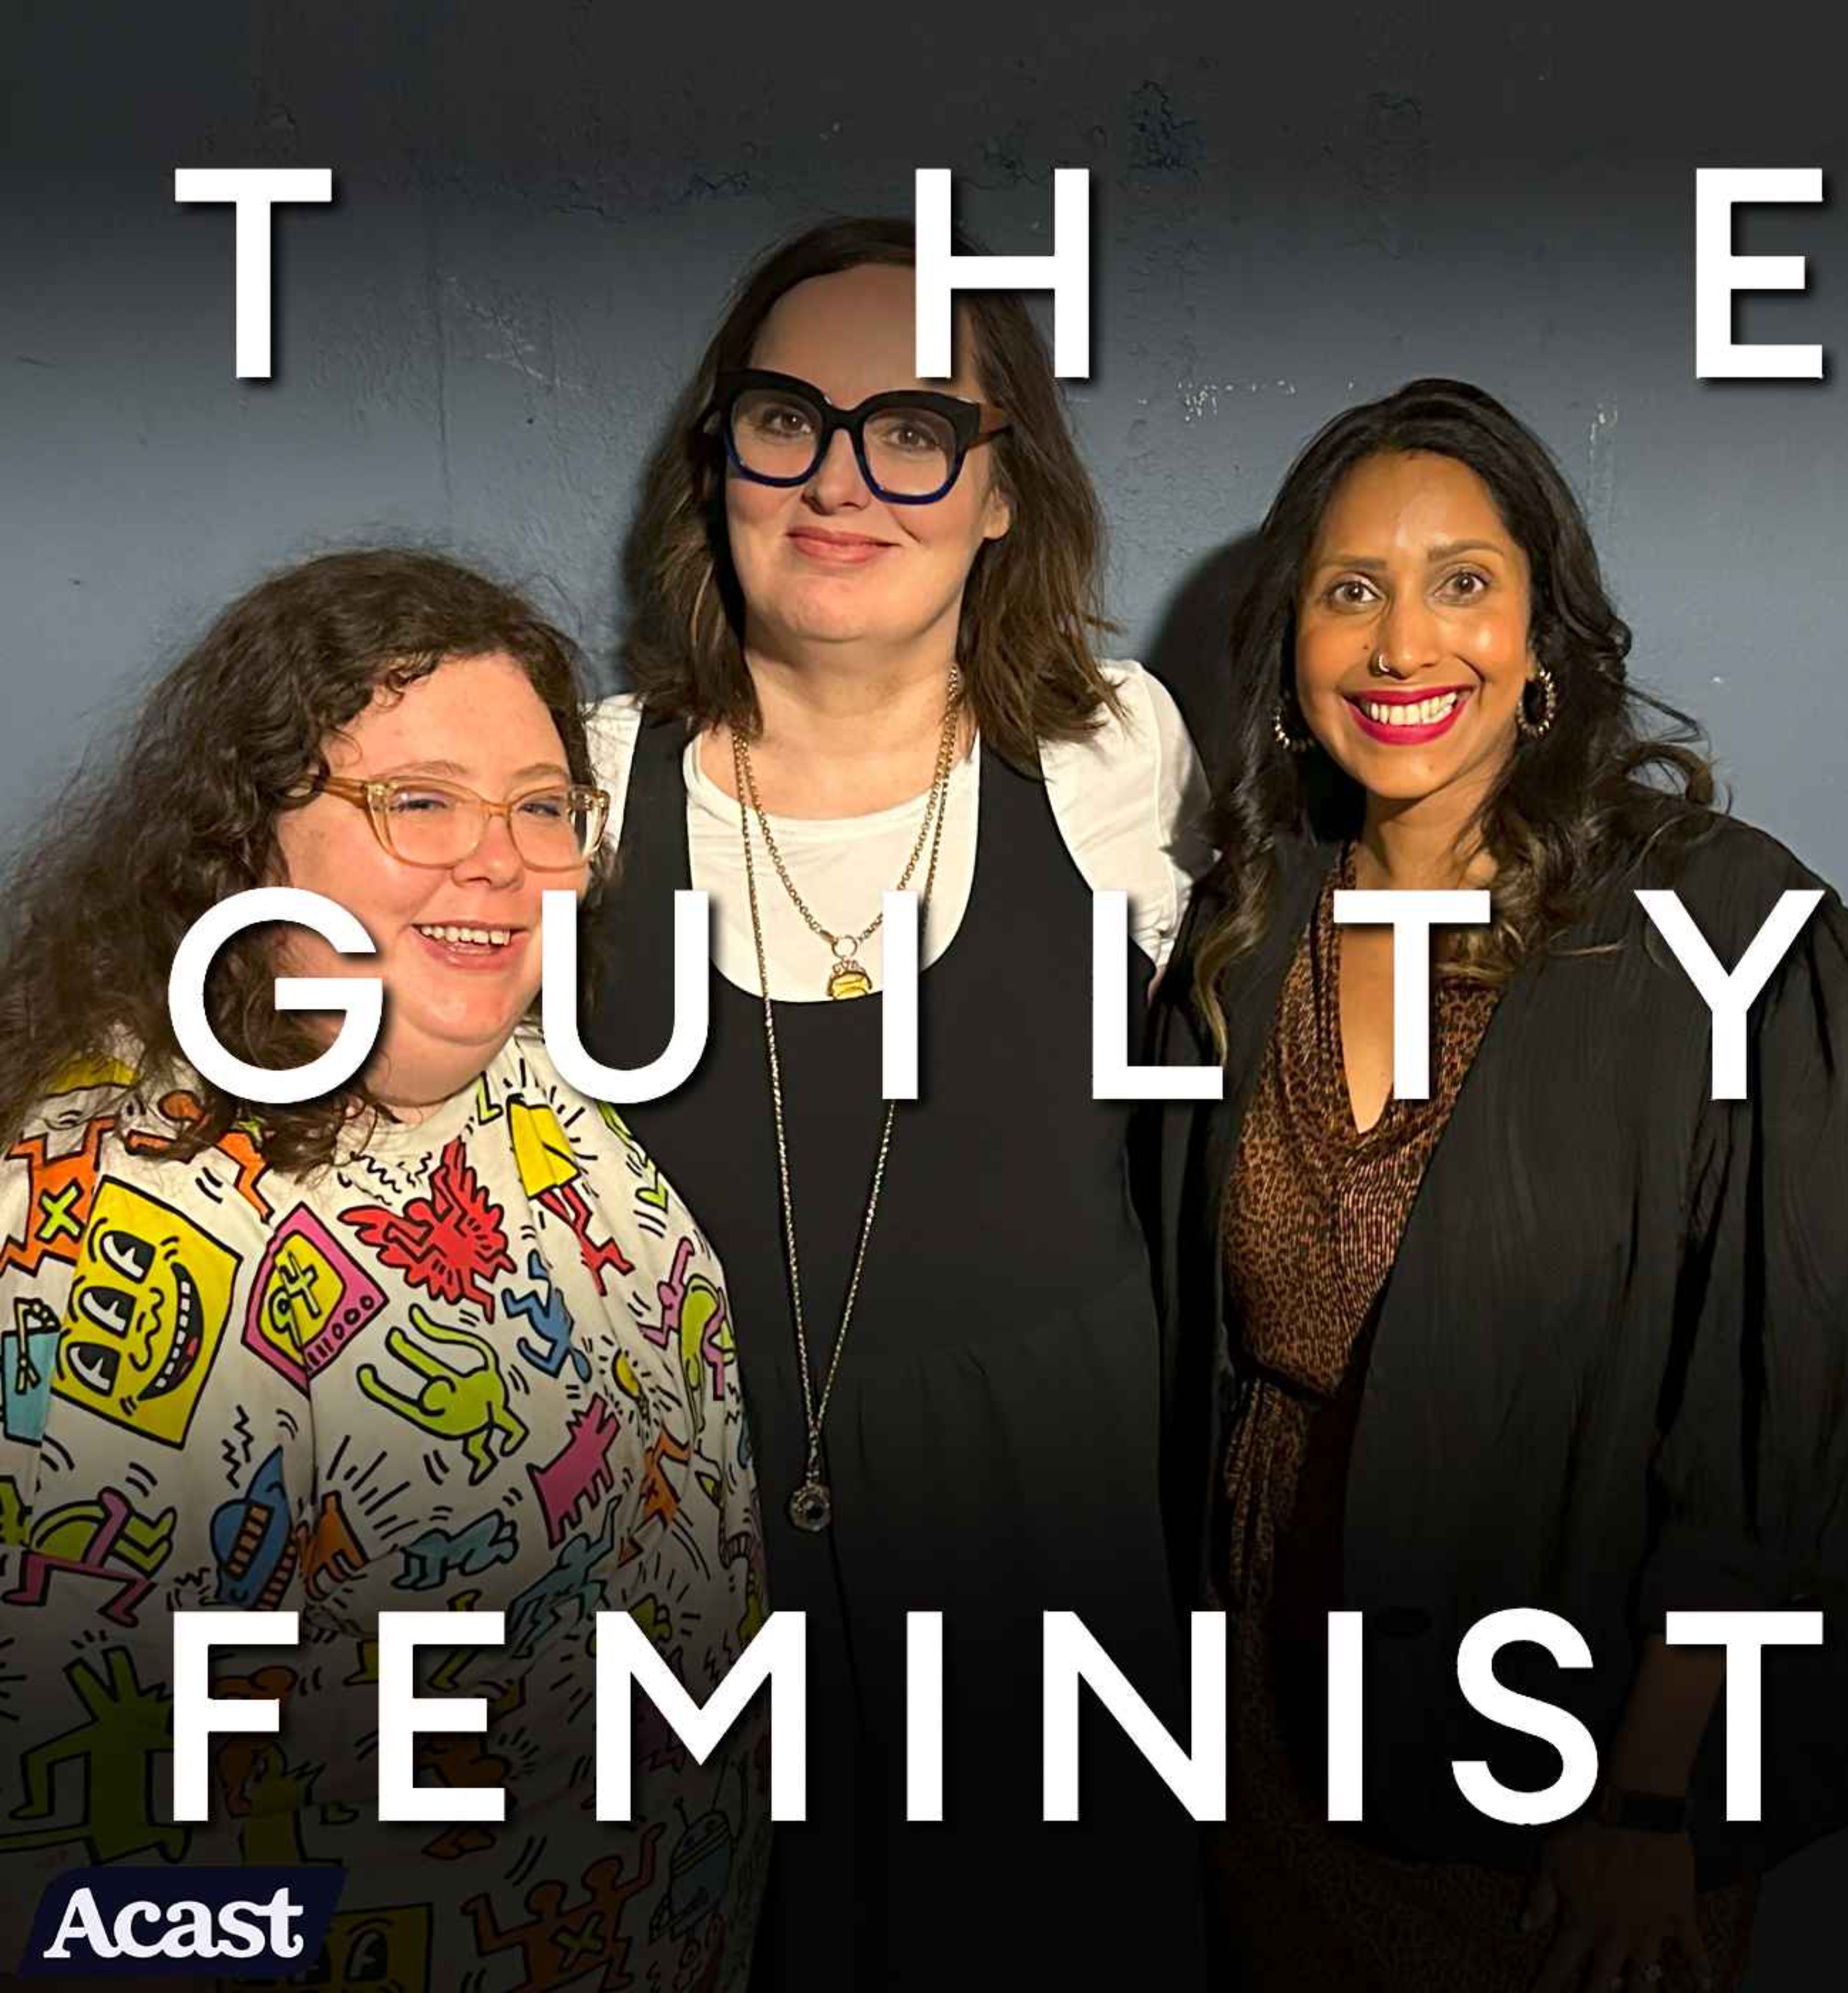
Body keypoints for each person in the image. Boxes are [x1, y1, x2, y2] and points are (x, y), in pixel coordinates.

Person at [1145, 380, 1848, 1992]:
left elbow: (1780, 1429)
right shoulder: (1246, 930)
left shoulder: (1729, 938)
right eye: (1350, 590)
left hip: (1575, 1749)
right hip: (1264, 1721)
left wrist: (1648, 1797)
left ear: (1543, 640)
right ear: (1292, 650)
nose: (1402, 645)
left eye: (1462, 581)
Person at [0, 549, 767, 1990]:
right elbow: (72, 1882)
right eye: (419, 801)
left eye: (541, 806)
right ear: (244, 839)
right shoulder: (104, 1227)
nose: (499, 859)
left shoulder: (541, 1098)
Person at [589, 219, 1208, 1988]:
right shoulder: (587, 781)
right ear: (719, 460)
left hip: (1044, 1614)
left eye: (916, 429)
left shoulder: (1114, 755)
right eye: (787, 418)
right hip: (691, 1627)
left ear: (1005, 491)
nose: (842, 478)